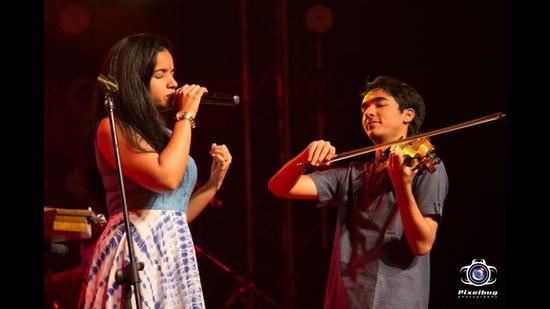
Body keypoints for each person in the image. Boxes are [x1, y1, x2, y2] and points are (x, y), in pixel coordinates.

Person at [79, 33, 232, 308]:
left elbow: (174, 215)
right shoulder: (113, 127)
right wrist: (186, 116)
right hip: (135, 255)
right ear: (135, 81)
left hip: (171, 253)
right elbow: (167, 177)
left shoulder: (163, 133)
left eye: (172, 72)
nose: (174, 82)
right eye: (160, 75)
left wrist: (212, 185)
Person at [268, 75, 449, 308]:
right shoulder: (352, 175)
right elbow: (279, 187)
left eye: (380, 104)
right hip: (345, 302)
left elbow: (422, 244)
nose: (369, 112)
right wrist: (306, 157)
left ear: (408, 114)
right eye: (365, 108)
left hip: (398, 301)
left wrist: (402, 186)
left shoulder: (424, 168)